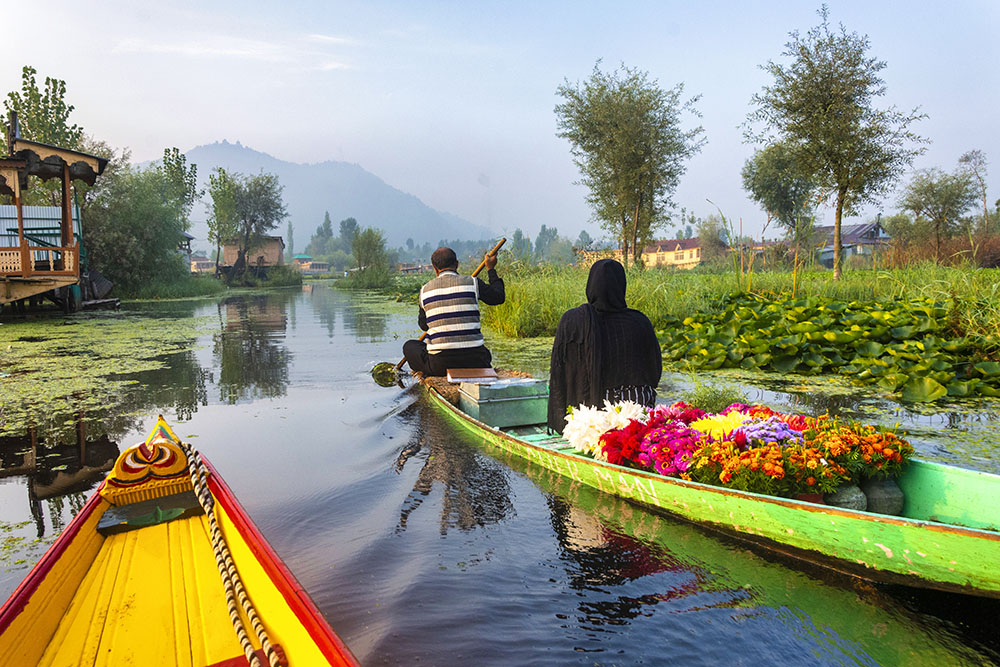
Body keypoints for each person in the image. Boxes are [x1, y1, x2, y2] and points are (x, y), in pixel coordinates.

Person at [547, 258, 662, 434]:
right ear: (621, 286)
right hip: (639, 412)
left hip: (593, 417)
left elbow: (559, 373)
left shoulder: (573, 320)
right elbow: (655, 372)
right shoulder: (640, 321)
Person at [402, 246, 505, 376]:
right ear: (457, 264)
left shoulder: (424, 291)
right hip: (476, 361)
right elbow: (498, 297)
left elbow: (424, 326)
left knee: (410, 346)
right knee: (482, 351)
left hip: (440, 365)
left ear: (435, 268)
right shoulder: (473, 283)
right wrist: (491, 269)